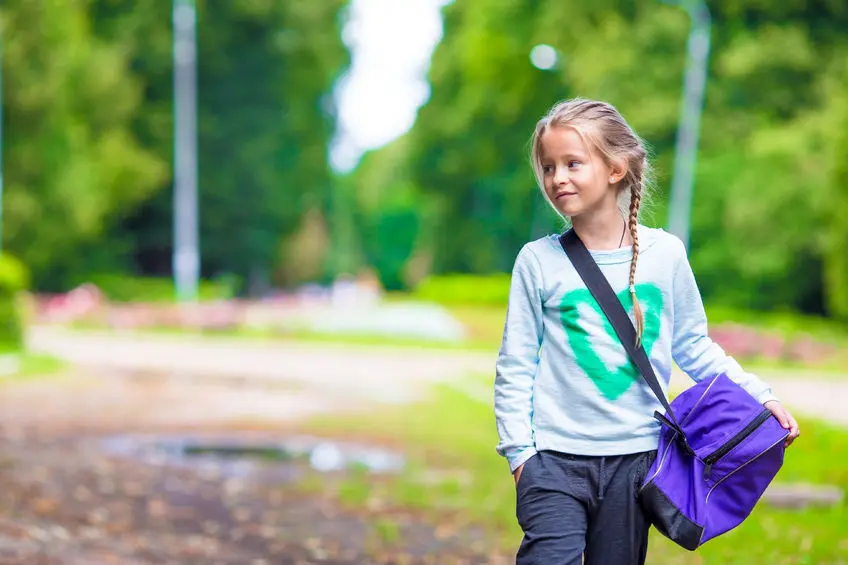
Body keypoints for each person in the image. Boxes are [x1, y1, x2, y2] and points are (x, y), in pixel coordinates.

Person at [493, 98, 800, 565]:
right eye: (549, 166)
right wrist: (521, 458)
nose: (557, 178)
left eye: (573, 163)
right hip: (553, 462)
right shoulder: (537, 261)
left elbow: (695, 346)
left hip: (636, 464)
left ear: (616, 168)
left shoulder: (666, 254)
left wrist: (762, 397)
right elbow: (516, 365)